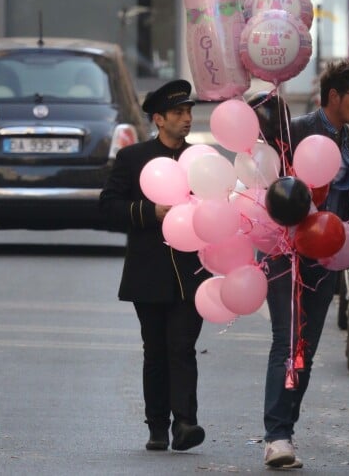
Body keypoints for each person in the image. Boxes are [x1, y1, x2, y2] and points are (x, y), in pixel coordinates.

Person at [261, 58, 349, 468]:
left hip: (326, 257)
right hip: (286, 252)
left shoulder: (346, 139)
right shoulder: (301, 131)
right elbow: (270, 183)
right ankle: (277, 435)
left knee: (305, 347)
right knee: (287, 340)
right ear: (334, 97)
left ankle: (286, 425)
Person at [99, 79, 209, 453]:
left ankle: (186, 423)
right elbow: (108, 207)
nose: (187, 119)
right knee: (156, 350)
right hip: (149, 273)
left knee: (182, 347)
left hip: (192, 273)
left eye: (189, 112)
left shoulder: (201, 162)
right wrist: (151, 212)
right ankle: (158, 426)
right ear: (159, 119)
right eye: (179, 113)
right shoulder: (133, 159)